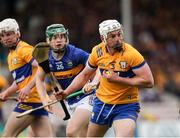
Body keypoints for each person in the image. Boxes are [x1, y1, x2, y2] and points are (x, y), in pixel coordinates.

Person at [54, 19, 154, 137]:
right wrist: (66, 92)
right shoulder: (97, 51)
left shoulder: (131, 54)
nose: (118, 38)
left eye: (119, 34)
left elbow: (149, 81)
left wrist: (118, 79)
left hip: (126, 105)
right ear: (103, 38)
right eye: (113, 36)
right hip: (101, 104)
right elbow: (84, 75)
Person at [35, 23, 96, 137]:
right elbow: (39, 79)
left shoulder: (76, 54)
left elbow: (96, 67)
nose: (59, 40)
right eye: (55, 37)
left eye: (62, 37)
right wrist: (44, 98)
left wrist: (93, 82)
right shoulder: (45, 57)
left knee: (71, 132)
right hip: (70, 101)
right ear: (48, 40)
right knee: (85, 135)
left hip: (86, 97)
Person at [0, 18, 53, 137]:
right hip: (39, 102)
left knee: (7, 136)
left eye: (9, 34)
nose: (6, 38)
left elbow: (43, 67)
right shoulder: (11, 55)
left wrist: (28, 88)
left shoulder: (23, 49)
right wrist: (7, 92)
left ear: (17, 33)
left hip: (30, 101)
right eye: (3, 35)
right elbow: (19, 81)